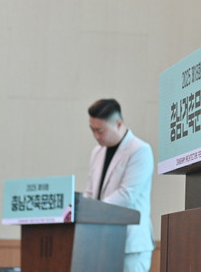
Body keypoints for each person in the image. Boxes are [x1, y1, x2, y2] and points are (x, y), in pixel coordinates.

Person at [84, 98, 154, 272]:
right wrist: (82, 208)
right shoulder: (97, 152)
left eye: (100, 131)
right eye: (92, 130)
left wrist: (93, 210)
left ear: (118, 124)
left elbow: (126, 195)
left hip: (130, 244)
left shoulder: (140, 150)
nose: (96, 136)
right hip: (101, 240)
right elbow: (91, 191)